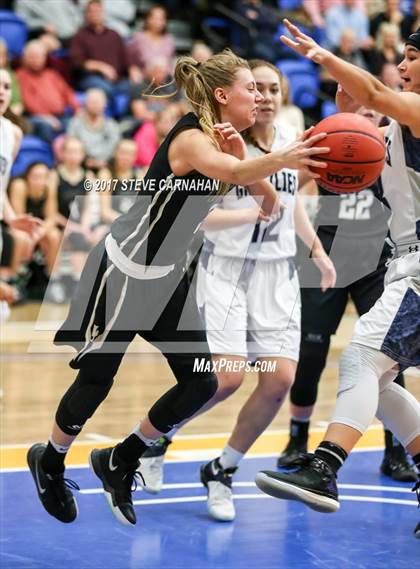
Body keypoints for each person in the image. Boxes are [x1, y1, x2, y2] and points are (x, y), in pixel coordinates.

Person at [26, 48, 330, 527]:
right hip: (125, 270)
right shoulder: (190, 139)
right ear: (222, 94)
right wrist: (272, 158)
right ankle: (50, 461)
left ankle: (121, 458)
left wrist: (250, 160)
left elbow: (270, 202)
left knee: (202, 379)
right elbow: (231, 175)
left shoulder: (226, 142)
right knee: (97, 380)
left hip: (167, 278)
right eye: (250, 88)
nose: (259, 97)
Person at [137, 59, 336, 522]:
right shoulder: (219, 139)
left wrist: (316, 251)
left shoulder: (291, 139)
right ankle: (156, 437)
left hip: (276, 274)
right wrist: (248, 214)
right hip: (226, 268)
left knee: (280, 380)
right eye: (257, 87)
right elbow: (200, 217)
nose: (266, 95)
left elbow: (290, 205)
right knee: (225, 378)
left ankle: (222, 469)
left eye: (273, 87)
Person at [255, 21, 420, 539]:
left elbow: (369, 91)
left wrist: (319, 52)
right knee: (380, 374)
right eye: (402, 57)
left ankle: (324, 466)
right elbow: (356, 101)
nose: (403, 65)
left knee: (360, 360)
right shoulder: (390, 129)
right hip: (405, 263)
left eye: (413, 57)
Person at [277, 105, 416, 483]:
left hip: (378, 262)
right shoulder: (331, 148)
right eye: (360, 112)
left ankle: (394, 451)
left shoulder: (392, 151)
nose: (367, 118)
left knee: (387, 358)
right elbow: (287, 188)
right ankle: (297, 440)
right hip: (327, 258)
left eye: (374, 113)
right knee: (311, 353)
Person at [0, 68, 40, 299]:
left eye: (6, 86)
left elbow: (1, 187)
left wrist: (12, 218)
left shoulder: (13, 133)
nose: (2, 91)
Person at [9, 162, 65, 303]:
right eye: (36, 177)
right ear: (28, 176)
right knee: (22, 237)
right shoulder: (19, 185)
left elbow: (51, 217)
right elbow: (18, 218)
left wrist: (38, 234)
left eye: (44, 177)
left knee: (54, 235)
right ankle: (15, 280)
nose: (40, 180)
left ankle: (53, 281)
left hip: (38, 228)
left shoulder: (48, 187)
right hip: (19, 225)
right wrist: (33, 235)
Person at [16, 41, 80, 142]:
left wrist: (77, 109)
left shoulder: (52, 74)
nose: (36, 60)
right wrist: (46, 117)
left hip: (61, 116)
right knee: (45, 126)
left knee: (76, 123)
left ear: (44, 58)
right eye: (32, 56)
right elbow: (28, 102)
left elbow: (68, 93)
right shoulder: (20, 76)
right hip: (36, 118)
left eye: (39, 56)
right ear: (25, 58)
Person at [69, 0, 130, 99]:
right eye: (91, 11)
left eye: (98, 11)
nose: (95, 14)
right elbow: (77, 62)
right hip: (90, 78)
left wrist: (133, 69)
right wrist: (101, 67)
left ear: (103, 13)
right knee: (106, 88)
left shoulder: (114, 35)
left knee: (136, 87)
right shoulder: (79, 36)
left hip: (117, 79)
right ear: (86, 15)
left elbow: (126, 58)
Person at [66, 88, 120, 172]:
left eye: (98, 102)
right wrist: (85, 160)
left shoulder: (111, 125)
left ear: (105, 104)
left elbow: (114, 146)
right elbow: (71, 144)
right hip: (81, 165)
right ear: (85, 104)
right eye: (92, 102)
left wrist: (102, 161)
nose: (95, 105)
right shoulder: (75, 123)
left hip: (106, 165)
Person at [98, 139, 143, 223]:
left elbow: (141, 208)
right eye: (123, 153)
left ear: (135, 156)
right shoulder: (105, 174)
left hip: (131, 223)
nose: (126, 157)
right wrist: (127, 222)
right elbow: (105, 212)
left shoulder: (139, 175)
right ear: (115, 153)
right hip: (111, 223)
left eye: (130, 154)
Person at [128, 4, 176, 83]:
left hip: (166, 80)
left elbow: (171, 62)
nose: (158, 22)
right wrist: (132, 69)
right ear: (148, 19)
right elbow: (130, 59)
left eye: (161, 18)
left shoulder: (169, 39)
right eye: (155, 18)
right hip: (145, 80)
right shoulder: (139, 37)